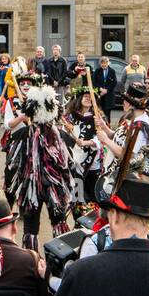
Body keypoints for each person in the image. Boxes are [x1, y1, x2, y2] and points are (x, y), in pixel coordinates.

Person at [3, 77, 75, 245]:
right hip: (46, 189)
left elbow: (11, 167)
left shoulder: (22, 135)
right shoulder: (61, 136)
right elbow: (70, 166)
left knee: (32, 227)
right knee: (57, 223)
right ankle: (60, 261)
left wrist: (11, 191)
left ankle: (32, 263)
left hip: (36, 189)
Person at [63, 84, 103, 220]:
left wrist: (86, 143)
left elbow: (101, 138)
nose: (87, 99)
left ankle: (92, 221)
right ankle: (78, 220)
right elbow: (63, 136)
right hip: (75, 163)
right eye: (85, 96)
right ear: (79, 98)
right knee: (77, 194)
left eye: (90, 98)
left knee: (92, 195)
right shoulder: (70, 117)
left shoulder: (97, 117)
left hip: (92, 164)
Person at [91, 56, 118, 126]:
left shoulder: (112, 71)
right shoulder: (97, 71)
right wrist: (100, 89)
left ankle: (108, 126)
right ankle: (100, 126)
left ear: (108, 63)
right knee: (100, 111)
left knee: (108, 113)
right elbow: (94, 82)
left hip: (109, 95)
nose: (104, 65)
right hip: (100, 95)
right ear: (100, 64)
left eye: (105, 63)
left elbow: (114, 82)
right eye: (102, 63)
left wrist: (107, 90)